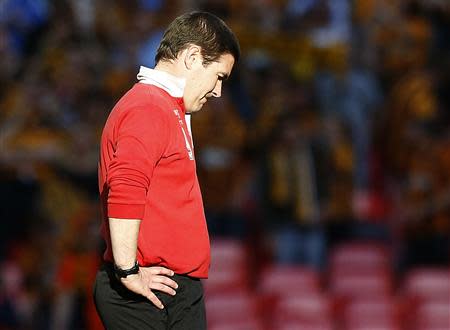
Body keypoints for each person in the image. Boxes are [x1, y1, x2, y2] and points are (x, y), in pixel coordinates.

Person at [93, 11, 240, 329]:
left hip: (166, 290)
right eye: (219, 77)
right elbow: (126, 184)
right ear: (192, 56)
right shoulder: (149, 107)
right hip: (149, 291)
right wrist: (128, 269)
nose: (217, 91)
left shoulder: (163, 107)